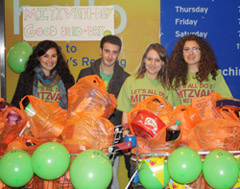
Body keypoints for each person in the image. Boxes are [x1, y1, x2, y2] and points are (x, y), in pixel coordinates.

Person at [117, 43, 177, 181]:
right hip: (135, 145)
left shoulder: (167, 86)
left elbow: (172, 117)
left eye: (157, 60)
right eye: (149, 59)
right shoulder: (131, 81)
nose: (152, 64)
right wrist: (126, 135)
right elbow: (125, 111)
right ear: (144, 60)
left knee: (156, 181)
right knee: (135, 181)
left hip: (158, 147)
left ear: (163, 63)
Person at [77, 35, 130, 189]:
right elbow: (77, 105)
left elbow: (125, 110)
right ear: (100, 50)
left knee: (110, 176)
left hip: (112, 137)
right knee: (87, 175)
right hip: (88, 134)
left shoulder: (125, 79)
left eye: (114, 52)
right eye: (107, 51)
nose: (110, 56)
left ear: (118, 54)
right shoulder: (85, 74)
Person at [168, 34, 232, 106]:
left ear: (202, 51)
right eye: (186, 49)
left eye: (195, 49)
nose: (190, 53)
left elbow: (226, 102)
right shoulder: (176, 78)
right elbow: (174, 107)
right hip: (184, 117)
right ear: (181, 53)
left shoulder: (213, 74)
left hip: (209, 117)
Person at [11, 40, 75, 110]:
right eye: (46, 56)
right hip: (33, 120)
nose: (50, 60)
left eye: (53, 56)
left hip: (60, 120)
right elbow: (16, 105)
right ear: (38, 58)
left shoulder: (66, 78)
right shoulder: (27, 77)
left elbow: (74, 105)